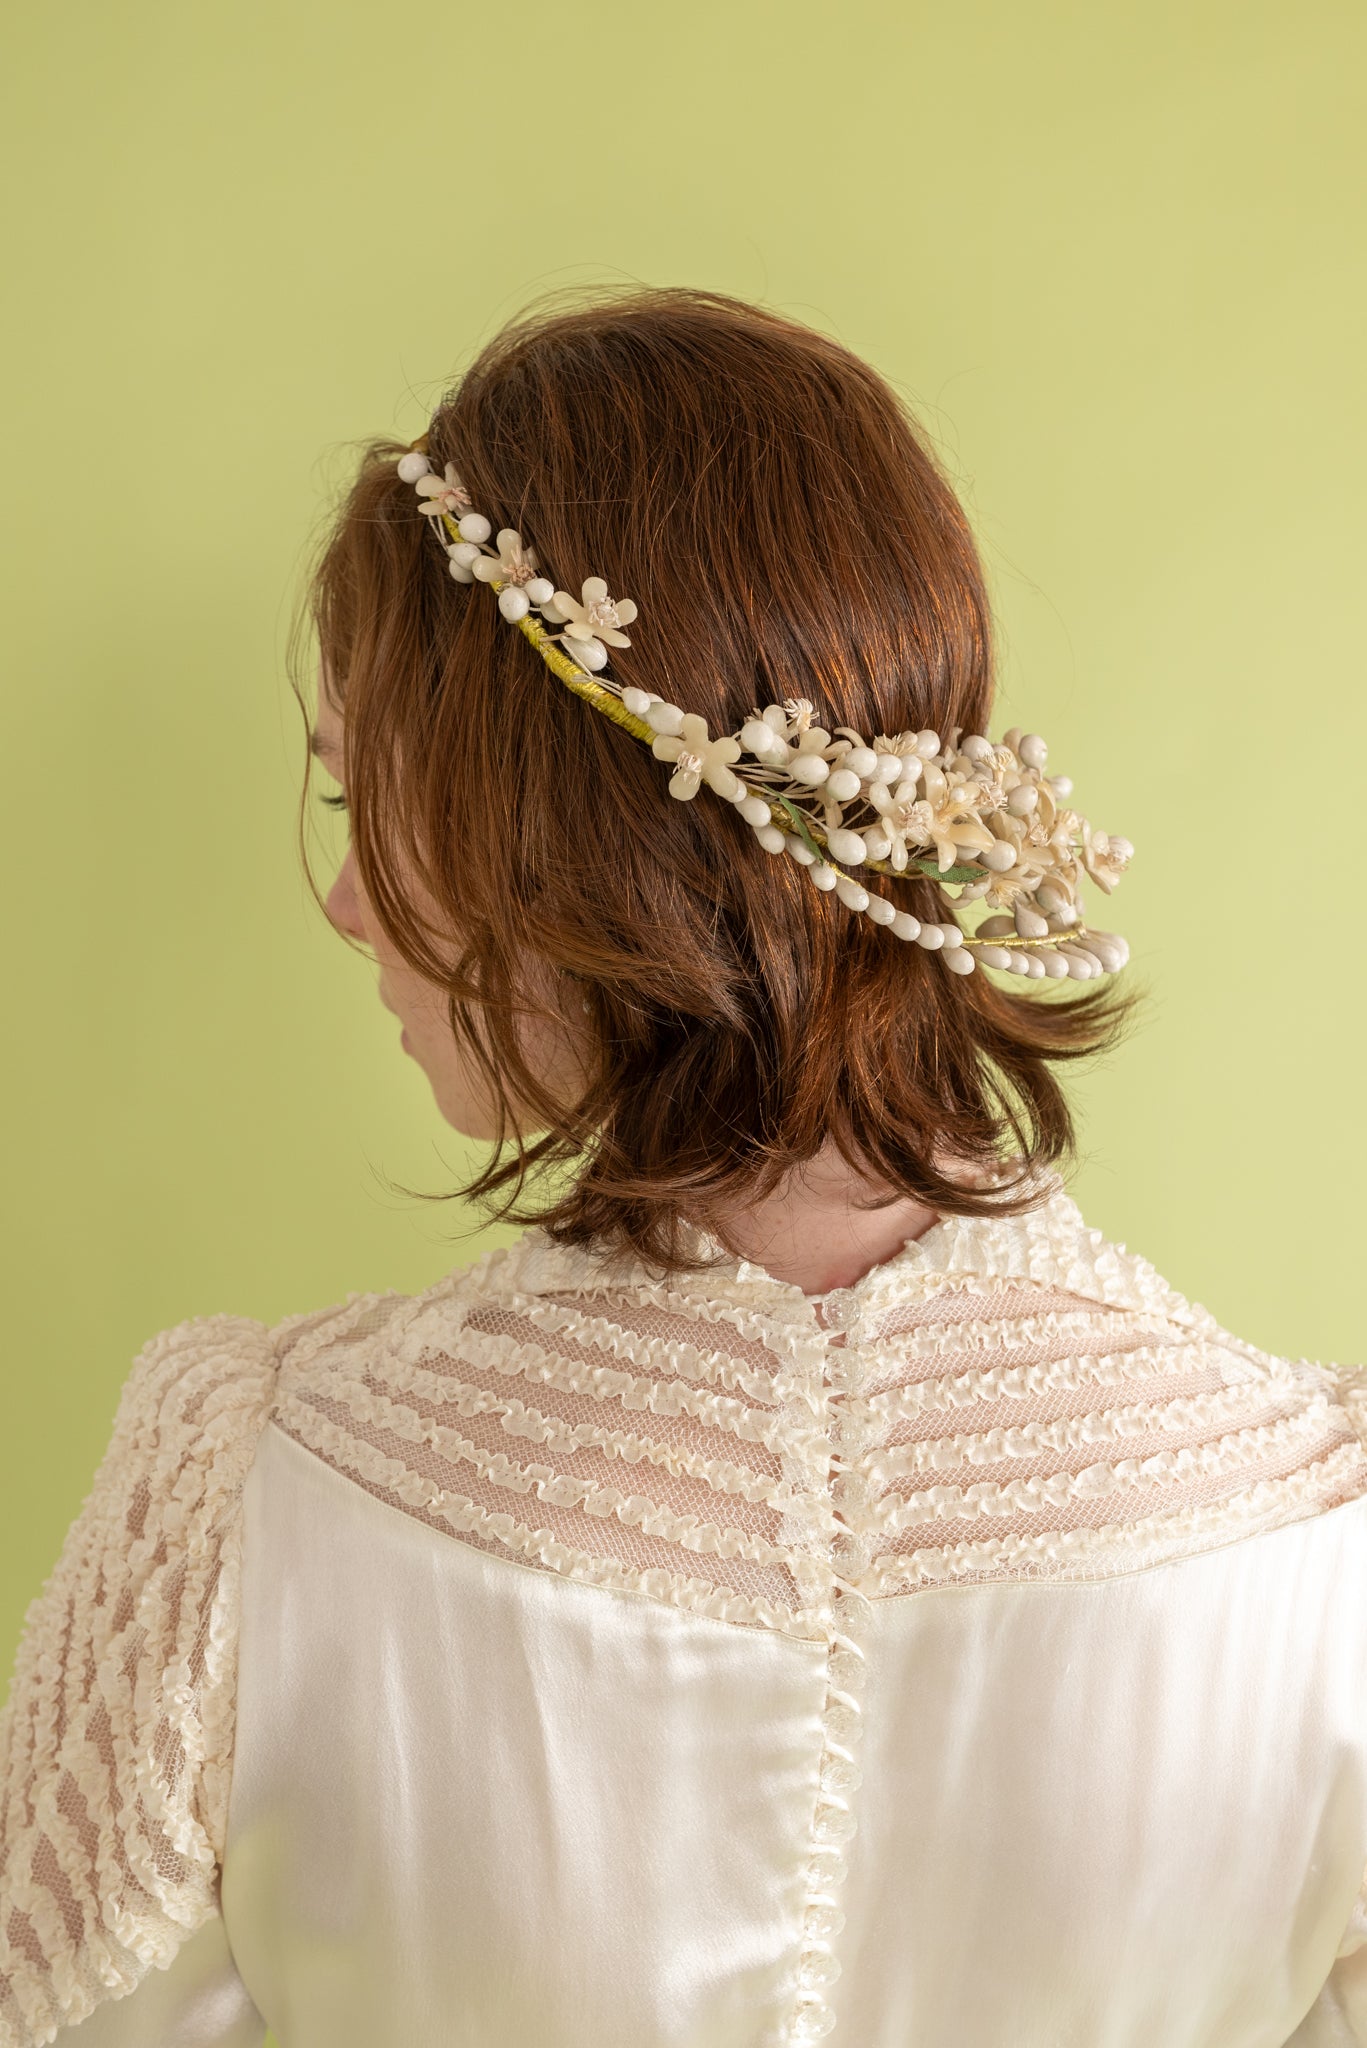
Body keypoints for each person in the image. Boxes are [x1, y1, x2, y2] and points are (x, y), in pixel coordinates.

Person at [1, 286, 1364, 2048]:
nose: (343, 905)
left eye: (370, 795)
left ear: (557, 826)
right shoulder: (1321, 1538)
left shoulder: (253, 1492)